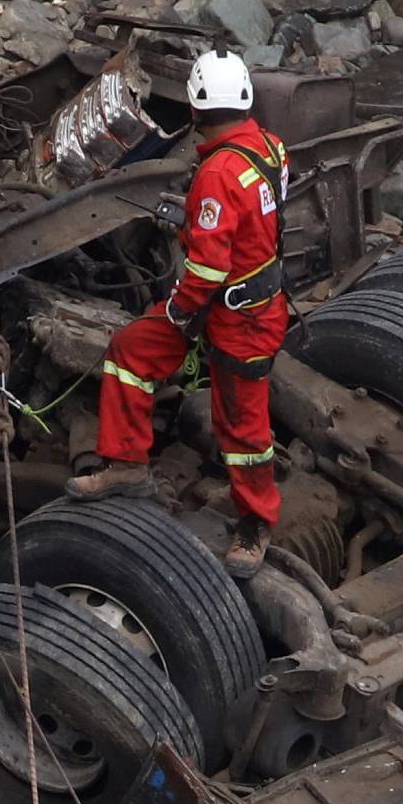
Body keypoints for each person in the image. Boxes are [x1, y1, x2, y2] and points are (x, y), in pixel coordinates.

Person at [69, 49, 290, 579]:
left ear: (193, 109)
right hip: (240, 304)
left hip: (235, 316)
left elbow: (209, 269)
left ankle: (256, 525)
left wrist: (178, 308)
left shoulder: (217, 174)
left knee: (241, 426)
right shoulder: (270, 147)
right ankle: (127, 464)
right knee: (130, 351)